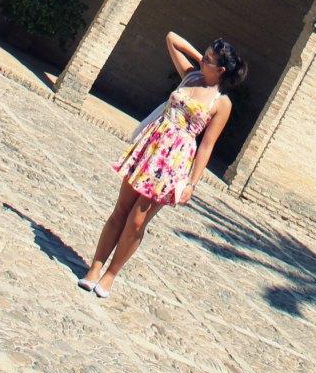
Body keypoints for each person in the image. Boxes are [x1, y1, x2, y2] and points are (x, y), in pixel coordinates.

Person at [78, 30, 247, 298]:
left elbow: (207, 145)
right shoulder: (191, 75)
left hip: (174, 162)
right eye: (203, 56)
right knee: (121, 209)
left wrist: (192, 182)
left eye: (209, 59)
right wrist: (201, 62)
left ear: (222, 69)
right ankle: (94, 268)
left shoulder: (221, 103)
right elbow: (171, 38)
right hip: (150, 147)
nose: (203, 60)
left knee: (137, 221)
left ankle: (111, 275)